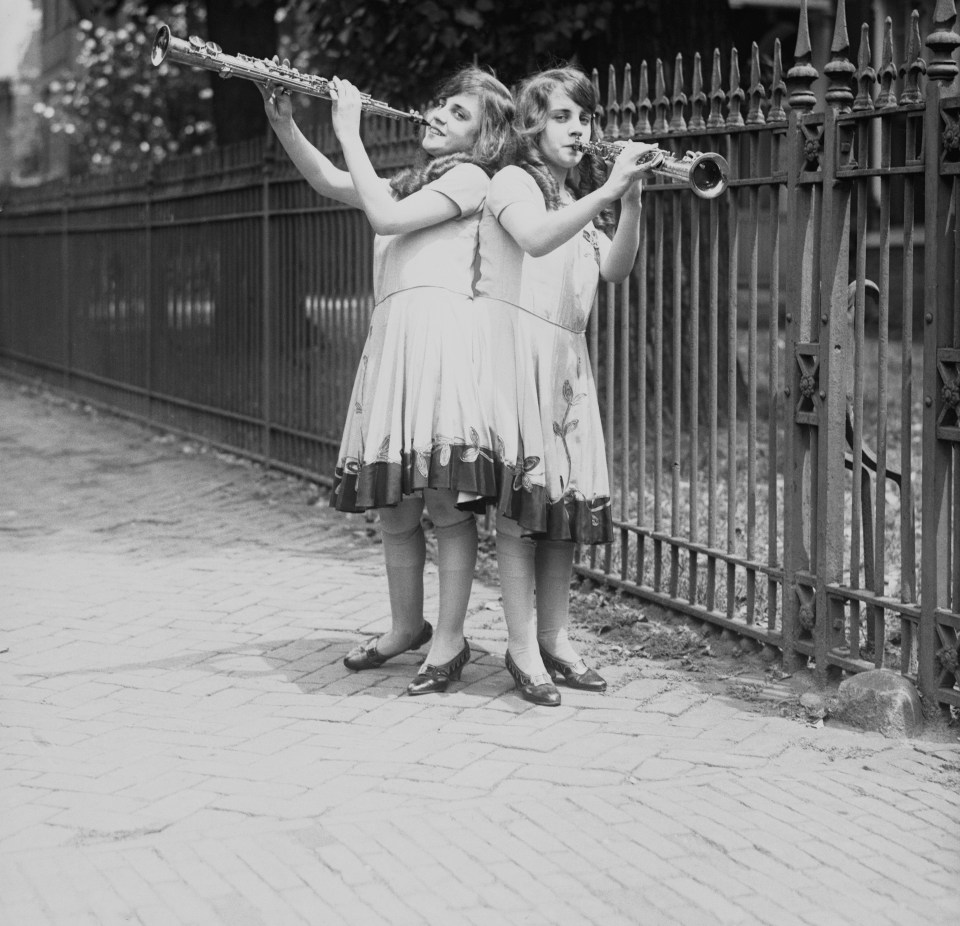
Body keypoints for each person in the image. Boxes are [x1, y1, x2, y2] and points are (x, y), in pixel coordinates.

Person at [260, 65, 515, 695]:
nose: (437, 116)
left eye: (458, 114)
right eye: (440, 105)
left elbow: (384, 220)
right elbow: (329, 182)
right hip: (394, 343)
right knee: (394, 506)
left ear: (484, 139)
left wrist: (350, 128)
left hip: (438, 344)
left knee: (443, 502)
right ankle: (407, 625)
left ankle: (451, 640)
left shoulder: (471, 178)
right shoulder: (408, 182)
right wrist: (285, 123)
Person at [475, 67, 654, 706]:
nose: (579, 128)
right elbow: (535, 239)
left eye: (585, 117)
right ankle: (521, 647)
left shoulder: (576, 196)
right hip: (517, 354)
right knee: (522, 511)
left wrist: (629, 201)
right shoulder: (513, 183)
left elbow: (616, 268)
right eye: (562, 117)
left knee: (562, 513)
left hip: (565, 362)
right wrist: (607, 189)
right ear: (530, 125)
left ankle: (556, 639)